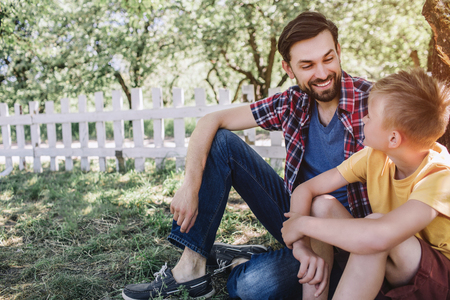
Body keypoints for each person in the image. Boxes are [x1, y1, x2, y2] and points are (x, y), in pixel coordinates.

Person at [122, 11, 373, 300]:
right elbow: (209, 121)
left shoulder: (374, 102)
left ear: (339, 52)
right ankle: (190, 269)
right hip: (297, 219)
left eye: (328, 59)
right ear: (289, 68)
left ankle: (241, 259)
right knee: (223, 142)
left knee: (249, 286)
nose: (322, 73)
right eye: (307, 65)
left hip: (352, 241)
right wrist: (190, 186)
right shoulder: (292, 102)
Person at [282, 68, 450, 300]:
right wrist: (302, 247)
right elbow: (307, 188)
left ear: (393, 138)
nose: (363, 118)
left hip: (437, 281)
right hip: (387, 260)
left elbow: (379, 236)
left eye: (370, 115)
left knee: (374, 229)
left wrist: (302, 225)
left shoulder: (440, 177)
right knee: (323, 205)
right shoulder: (375, 156)